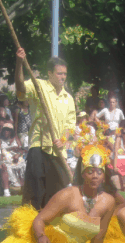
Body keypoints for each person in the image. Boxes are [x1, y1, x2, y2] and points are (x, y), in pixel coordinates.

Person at [15, 47, 76, 209]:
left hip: (58, 152)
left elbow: (71, 127)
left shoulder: (68, 98)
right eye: (59, 73)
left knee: (59, 196)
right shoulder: (39, 86)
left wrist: (64, 142)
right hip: (39, 148)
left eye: (64, 74)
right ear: (50, 73)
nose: (63, 77)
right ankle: (29, 225)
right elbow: (20, 89)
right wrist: (19, 63)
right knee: (34, 193)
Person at [0, 123, 25, 188]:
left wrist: (18, 155)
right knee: (7, 168)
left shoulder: (16, 139)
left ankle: (23, 185)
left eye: (8, 130)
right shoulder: (0, 141)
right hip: (7, 161)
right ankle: (15, 185)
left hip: (17, 159)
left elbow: (22, 150)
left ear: (11, 131)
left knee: (24, 166)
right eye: (4, 130)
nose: (6, 131)